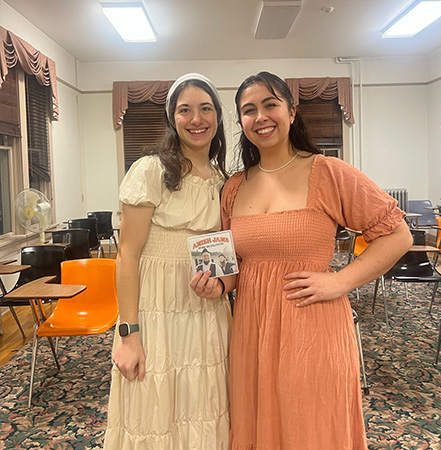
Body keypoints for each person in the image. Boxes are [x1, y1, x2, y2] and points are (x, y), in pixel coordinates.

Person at [190, 71, 412, 449]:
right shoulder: (233, 186)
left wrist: (341, 281)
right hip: (252, 331)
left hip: (312, 326)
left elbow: (398, 235)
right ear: (240, 122)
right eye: (248, 110)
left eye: (270, 105)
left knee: (311, 427)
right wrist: (218, 284)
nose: (260, 117)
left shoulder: (329, 172)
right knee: (257, 425)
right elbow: (234, 267)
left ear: (292, 112)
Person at [103, 73, 231, 449]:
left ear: (218, 118)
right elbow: (127, 254)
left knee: (204, 405)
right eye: (185, 110)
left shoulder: (224, 179)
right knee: (153, 409)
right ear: (172, 119)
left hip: (206, 312)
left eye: (206, 109)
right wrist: (129, 335)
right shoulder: (150, 171)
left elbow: (224, 252)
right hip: (156, 312)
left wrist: (221, 283)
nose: (197, 119)